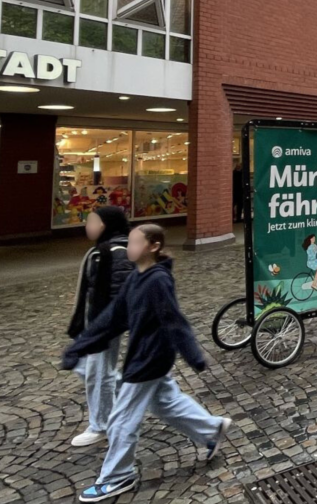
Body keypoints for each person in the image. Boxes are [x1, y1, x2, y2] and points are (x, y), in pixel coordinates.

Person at [62, 224, 231, 503]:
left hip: (150, 359)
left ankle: (118, 476)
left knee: (121, 418)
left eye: (135, 243)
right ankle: (210, 429)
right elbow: (112, 317)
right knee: (166, 402)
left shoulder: (157, 280)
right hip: (143, 356)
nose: (129, 248)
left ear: (153, 246)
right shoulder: (135, 278)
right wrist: (80, 346)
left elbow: (175, 321)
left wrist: (195, 356)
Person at [67, 206, 134, 448]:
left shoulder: (114, 252)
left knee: (98, 372)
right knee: (92, 369)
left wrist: (101, 328)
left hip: (102, 326)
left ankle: (102, 424)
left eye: (92, 220)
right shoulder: (102, 250)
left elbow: (118, 295)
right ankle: (120, 404)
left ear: (105, 225)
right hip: (95, 324)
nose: (87, 225)